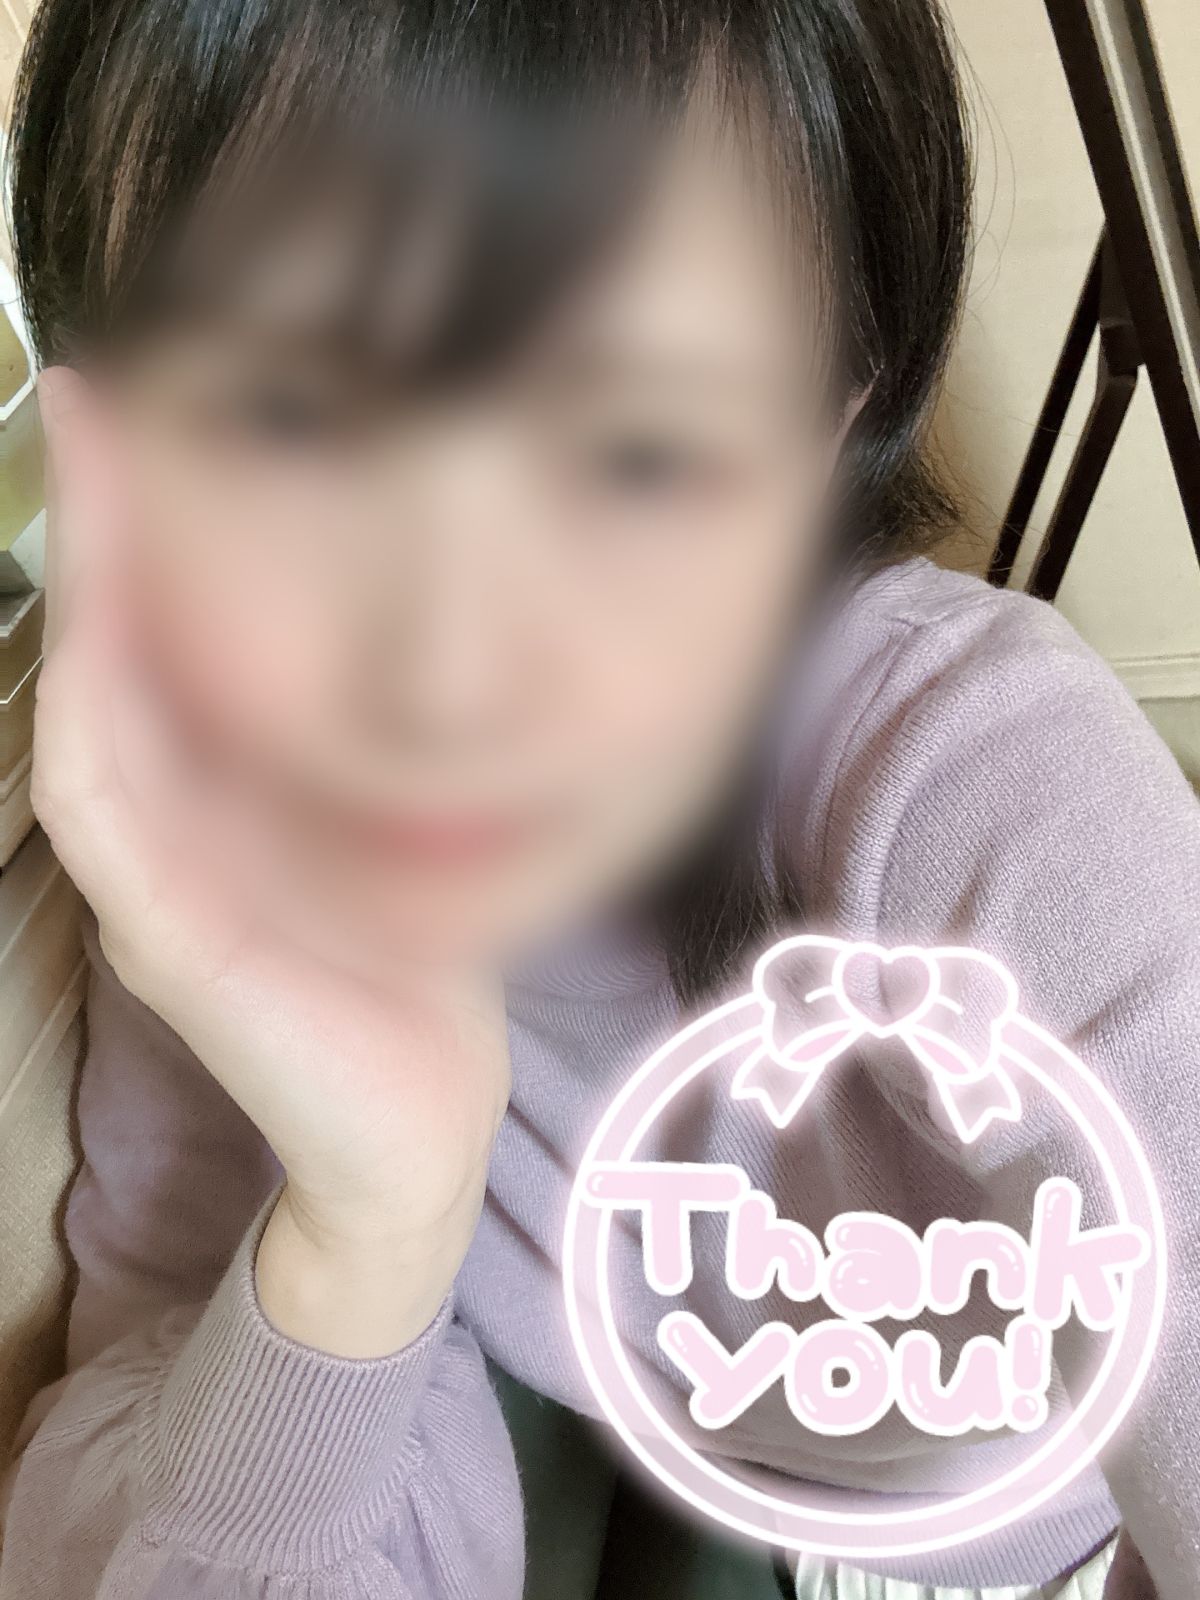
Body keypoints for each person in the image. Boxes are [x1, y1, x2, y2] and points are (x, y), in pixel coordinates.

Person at [1, 1, 1196, 1596]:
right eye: (280, 419)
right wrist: (370, 1231)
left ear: (834, 418)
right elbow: (150, 1494)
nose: (445, 658)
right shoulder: (225, 878)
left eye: (635, 449)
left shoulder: (980, 777)